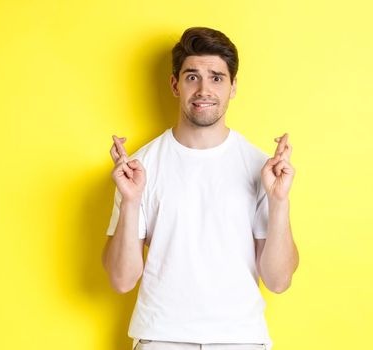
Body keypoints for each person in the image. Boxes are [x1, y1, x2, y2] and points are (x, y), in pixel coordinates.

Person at [102, 27, 299, 350]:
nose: (204, 89)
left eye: (217, 78)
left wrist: (279, 201)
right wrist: (131, 202)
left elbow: (278, 281)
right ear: (175, 84)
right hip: (161, 338)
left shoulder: (261, 168)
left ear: (233, 87)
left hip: (241, 339)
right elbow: (122, 280)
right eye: (192, 77)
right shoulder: (139, 168)